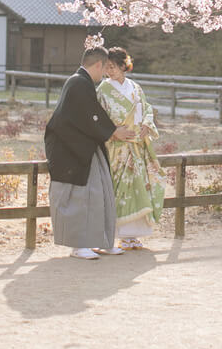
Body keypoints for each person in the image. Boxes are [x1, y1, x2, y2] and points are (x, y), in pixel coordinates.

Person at [44, 43, 135, 260]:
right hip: (71, 150)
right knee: (81, 197)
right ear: (97, 65)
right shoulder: (78, 83)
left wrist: (111, 130)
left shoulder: (81, 83)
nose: (105, 75)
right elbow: (90, 116)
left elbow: (91, 115)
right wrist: (113, 131)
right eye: (104, 69)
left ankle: (101, 241)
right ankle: (79, 245)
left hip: (84, 148)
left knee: (100, 194)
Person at [97, 46, 165, 249]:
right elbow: (99, 117)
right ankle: (119, 234)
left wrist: (146, 124)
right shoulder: (103, 90)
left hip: (136, 146)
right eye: (106, 68)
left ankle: (133, 235)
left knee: (138, 187)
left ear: (123, 65)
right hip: (117, 147)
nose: (109, 71)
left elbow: (147, 108)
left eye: (113, 67)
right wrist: (114, 131)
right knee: (121, 190)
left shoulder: (135, 87)